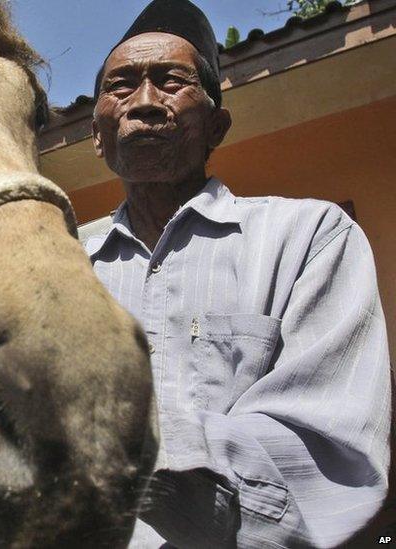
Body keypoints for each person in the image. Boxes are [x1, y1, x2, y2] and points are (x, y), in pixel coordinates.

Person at [85, 0, 391, 546]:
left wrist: (130, 463)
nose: (145, 102)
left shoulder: (311, 237)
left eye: (170, 81)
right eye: (122, 85)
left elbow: (326, 444)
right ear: (97, 135)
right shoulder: (61, 259)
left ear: (217, 126)